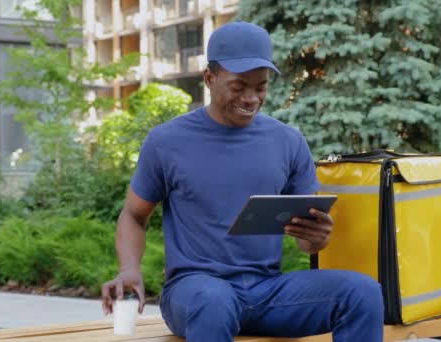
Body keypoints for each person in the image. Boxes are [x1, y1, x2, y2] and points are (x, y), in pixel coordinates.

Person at [101, 21, 384, 341]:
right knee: (215, 301)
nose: (251, 98)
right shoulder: (167, 141)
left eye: (260, 87)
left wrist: (318, 237)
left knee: (363, 292)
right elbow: (134, 215)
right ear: (210, 78)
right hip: (195, 291)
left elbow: (307, 244)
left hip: (267, 291)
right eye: (238, 87)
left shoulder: (289, 142)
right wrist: (129, 269)